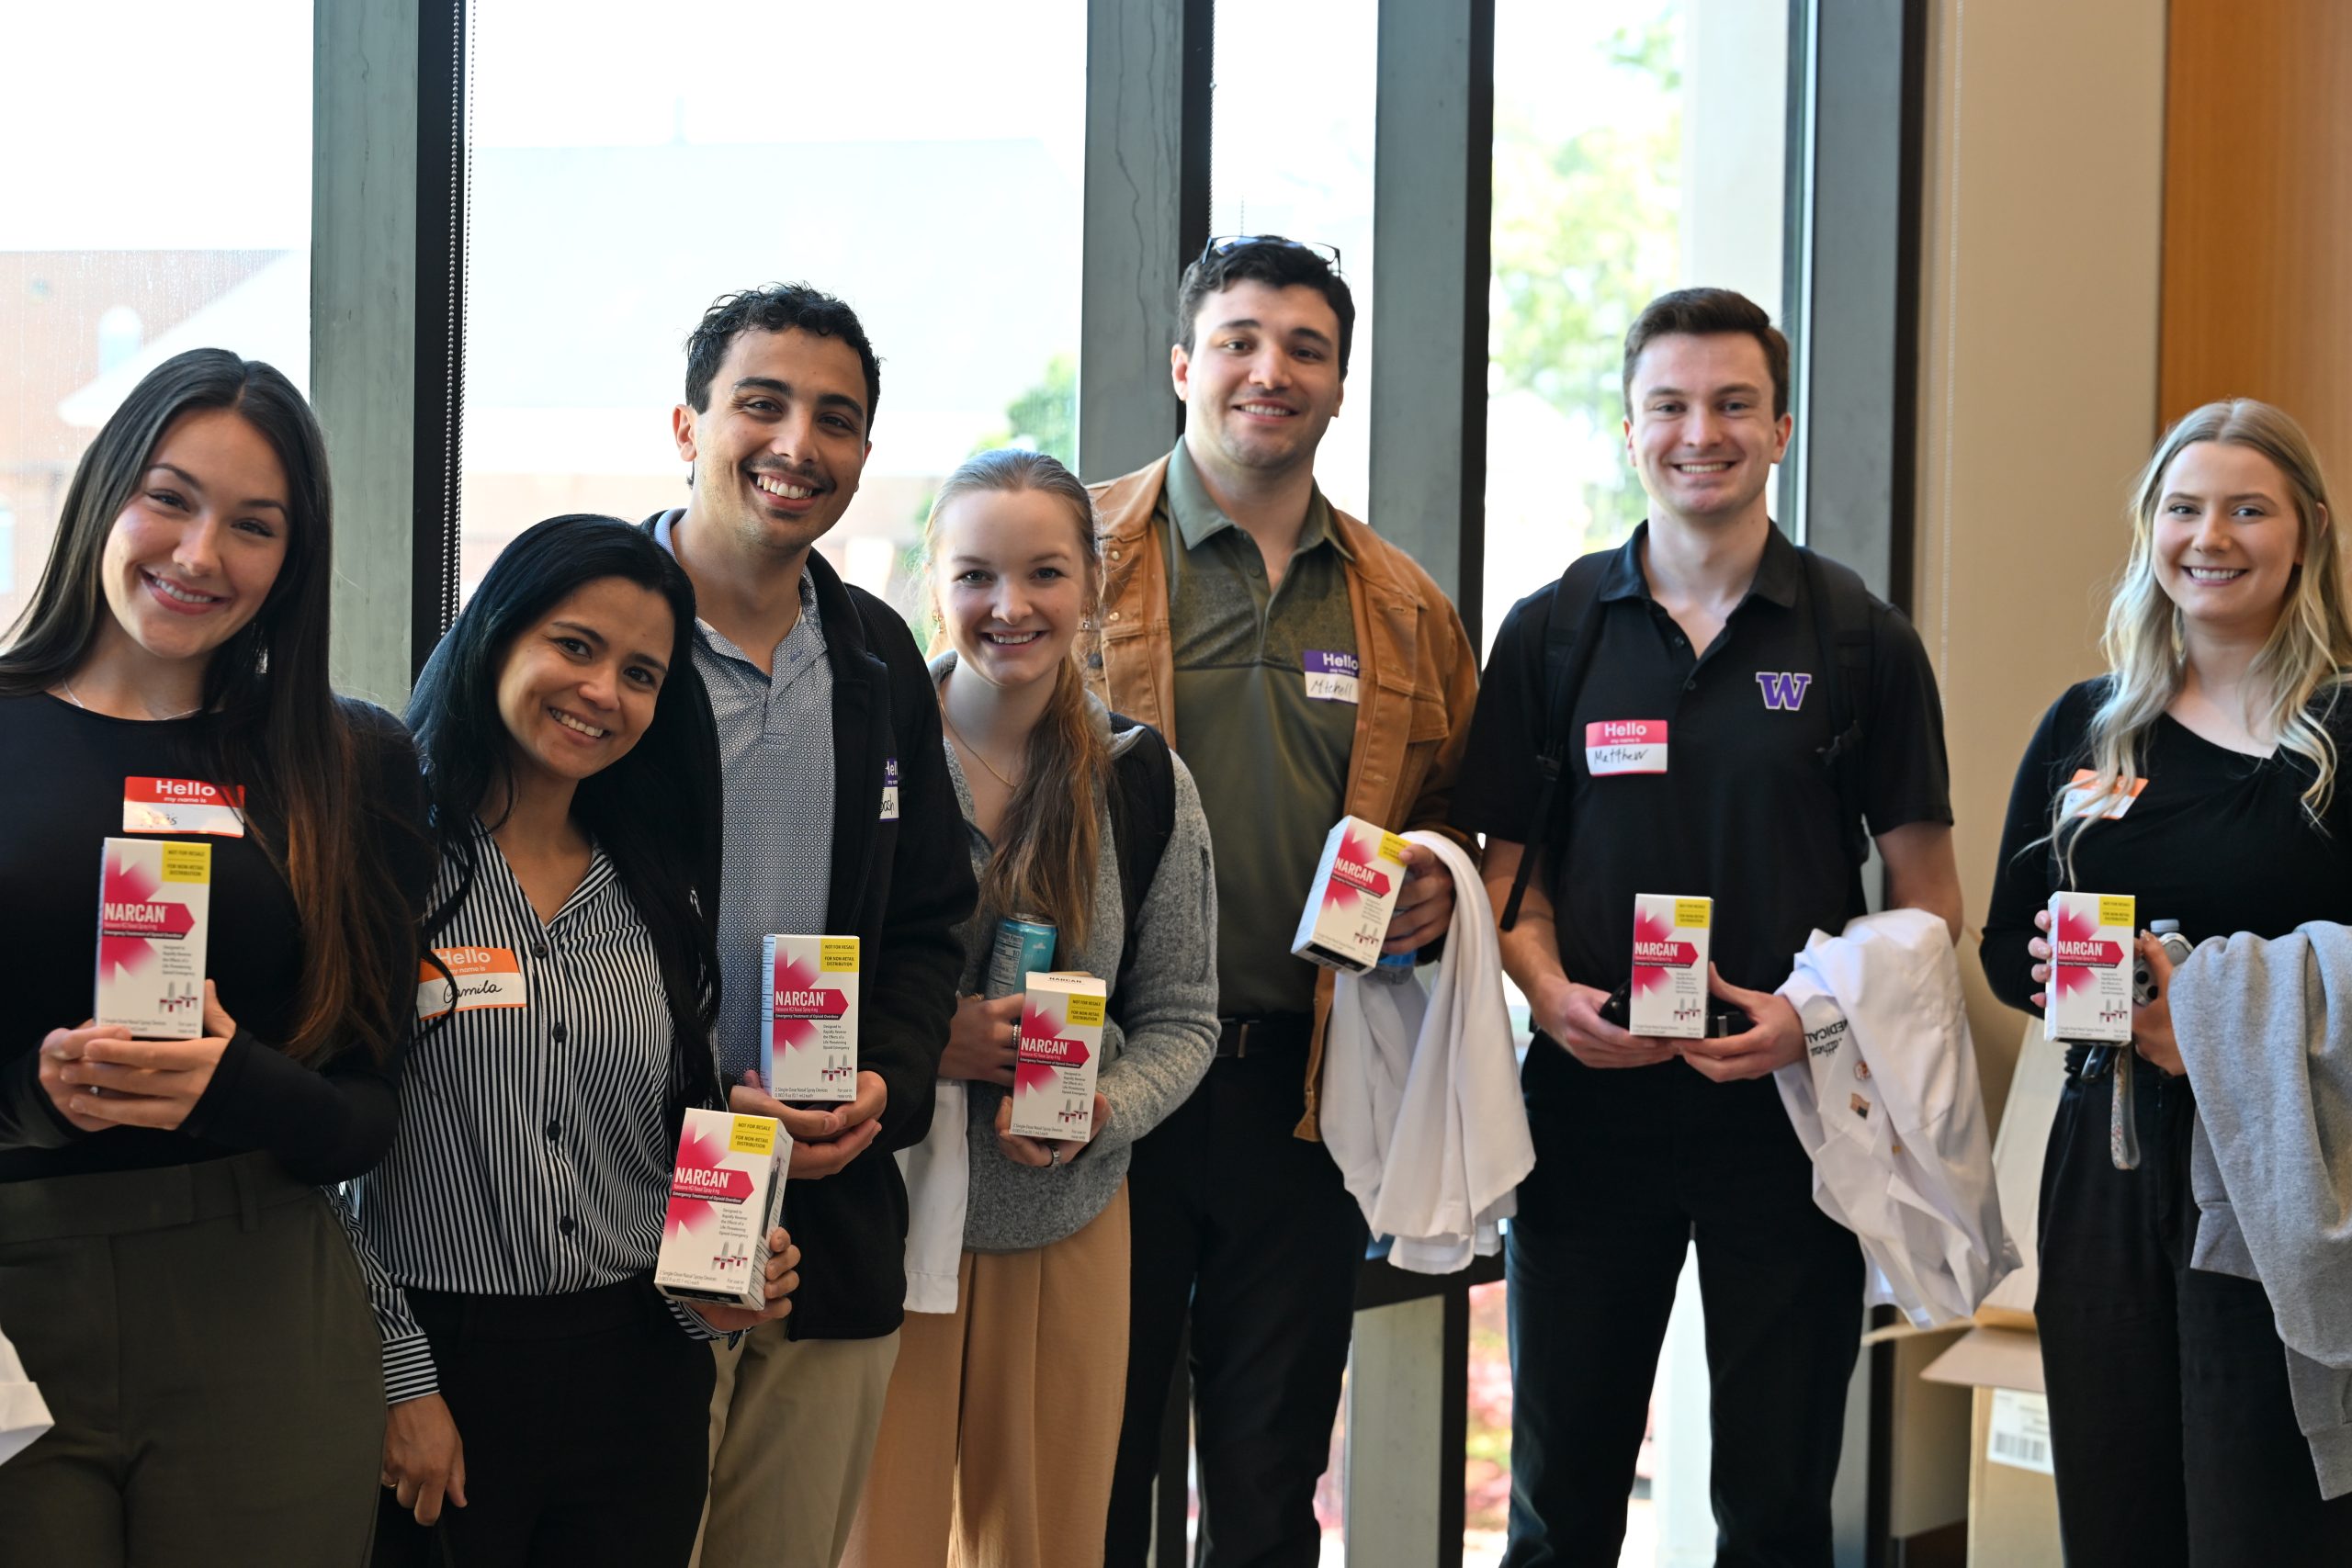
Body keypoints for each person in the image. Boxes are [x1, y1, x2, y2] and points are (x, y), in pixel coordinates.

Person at [1452, 287, 1962, 1568]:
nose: (1702, 431)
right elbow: (1508, 879)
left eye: (1734, 403)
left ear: (1780, 425)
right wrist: (1547, 990)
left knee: (1780, 1504)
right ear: (1630, 431)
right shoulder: (1555, 631)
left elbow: (1929, 900)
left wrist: (1811, 1016)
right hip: (1588, 1104)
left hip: (1789, 1112)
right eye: (1669, 405)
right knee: (1563, 1498)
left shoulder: (1859, 639)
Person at [0, 348, 433, 1564]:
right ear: (103, 494)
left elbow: (368, 1112)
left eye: (254, 525)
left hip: (260, 1298)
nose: (200, 555)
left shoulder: (351, 768)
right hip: (15, 1301)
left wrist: (235, 1079)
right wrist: (32, 1089)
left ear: (292, 561)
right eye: (170, 497)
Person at [1092, 236, 1480, 1568]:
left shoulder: (1405, 606)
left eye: (1306, 349)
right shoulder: (1065, 553)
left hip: (1301, 1091)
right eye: (1243, 339)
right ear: (1185, 362)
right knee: (1090, 1458)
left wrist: (1436, 868)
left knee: (1266, 1477)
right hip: (1102, 1086)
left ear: (1337, 384)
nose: (1272, 369)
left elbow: (1453, 808)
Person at [357, 515, 799, 1565]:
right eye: (576, 645)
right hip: (440, 1362)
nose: (604, 692)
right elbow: (326, 1162)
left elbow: (676, 1128)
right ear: (499, 635)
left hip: (637, 1376)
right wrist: (399, 1377)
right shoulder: (387, 868)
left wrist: (727, 1270)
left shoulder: (656, 893)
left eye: (642, 673)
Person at [1984, 399, 2352, 1564]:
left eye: (2250, 508)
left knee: (2264, 1513)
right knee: (2115, 1495)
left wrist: (2210, 1022)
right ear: (2151, 531)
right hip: (2103, 1161)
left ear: (2304, 534)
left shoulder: (2339, 729)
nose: (2213, 535)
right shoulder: (2090, 727)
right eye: (2184, 508)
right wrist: (2060, 976)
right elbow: (2004, 947)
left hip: (2281, 1158)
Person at [644, 284, 978, 1568]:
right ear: (688, 423)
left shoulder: (879, 654)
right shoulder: (593, 628)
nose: (798, 444)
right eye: (761, 404)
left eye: (834, 419)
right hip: (622, 1200)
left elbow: (930, 918)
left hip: (828, 1205)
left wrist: (883, 1084)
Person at [844, 449, 1218, 1567]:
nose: (1010, 608)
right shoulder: (865, 758)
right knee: (874, 1543)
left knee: (1045, 1545)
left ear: (1093, 587)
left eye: (1044, 574)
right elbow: (786, 974)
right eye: (975, 576)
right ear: (933, 584)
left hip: (1060, 1221)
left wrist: (1105, 1106)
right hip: (880, 1212)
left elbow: (1184, 1017)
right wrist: (924, 1043)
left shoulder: (1141, 780)